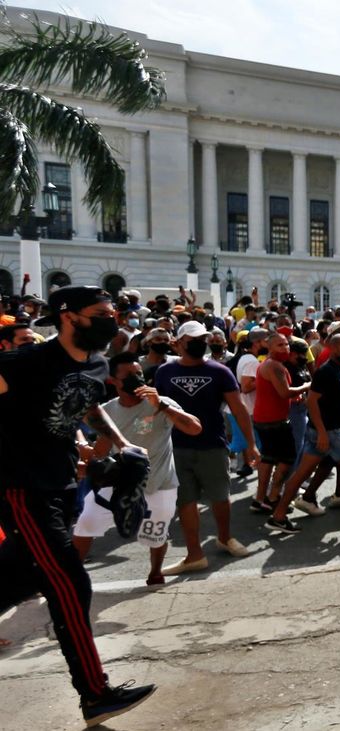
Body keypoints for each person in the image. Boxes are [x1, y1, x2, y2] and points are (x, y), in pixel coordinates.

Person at [0, 286, 156, 725]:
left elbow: (89, 406)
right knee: (68, 582)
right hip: (23, 490)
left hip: (65, 484)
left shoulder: (97, 363)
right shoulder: (24, 362)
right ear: (68, 316)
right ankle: (95, 693)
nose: (112, 319)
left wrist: (121, 444)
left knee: (16, 578)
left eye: (113, 312)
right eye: (101, 313)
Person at [74, 353, 203, 585]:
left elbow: (195, 429)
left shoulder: (161, 403)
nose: (137, 378)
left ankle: (155, 572)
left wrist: (162, 405)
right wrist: (85, 452)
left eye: (139, 373)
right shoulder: (108, 410)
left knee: (156, 534)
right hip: (120, 481)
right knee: (87, 521)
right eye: (129, 375)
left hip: (159, 483)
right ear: (113, 380)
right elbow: (101, 451)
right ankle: (69, 575)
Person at [154, 320, 256, 575]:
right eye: (194, 340)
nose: (201, 343)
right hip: (176, 447)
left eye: (203, 339)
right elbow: (155, 410)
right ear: (179, 343)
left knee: (220, 496)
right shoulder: (164, 372)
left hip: (213, 445)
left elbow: (239, 409)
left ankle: (225, 537)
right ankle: (194, 554)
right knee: (186, 500)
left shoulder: (220, 371)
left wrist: (251, 445)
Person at [264, 334, 340, 534]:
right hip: (330, 432)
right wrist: (323, 433)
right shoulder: (326, 371)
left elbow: (336, 396)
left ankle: (278, 517)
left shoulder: (337, 369)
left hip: (324, 431)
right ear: (333, 348)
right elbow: (311, 401)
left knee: (301, 474)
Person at [249, 333, 311, 513]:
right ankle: (273, 498)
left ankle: (260, 499)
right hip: (274, 421)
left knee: (268, 459)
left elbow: (278, 393)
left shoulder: (271, 365)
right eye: (280, 345)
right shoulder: (274, 366)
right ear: (269, 347)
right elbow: (285, 392)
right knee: (287, 459)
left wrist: (294, 397)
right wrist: (307, 386)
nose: (285, 348)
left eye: (286, 345)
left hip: (266, 419)